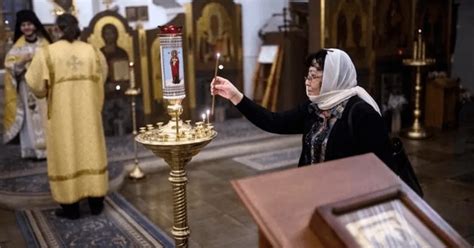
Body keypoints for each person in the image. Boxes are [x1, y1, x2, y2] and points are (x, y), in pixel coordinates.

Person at [211, 48, 396, 171]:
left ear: (333, 77)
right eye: (307, 75)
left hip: (346, 200)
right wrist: (235, 96)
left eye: (314, 76)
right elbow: (273, 121)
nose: (307, 81)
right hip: (311, 193)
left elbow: (381, 167)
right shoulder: (314, 109)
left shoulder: (361, 114)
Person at [25, 14, 108, 219]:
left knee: (66, 153)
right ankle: (96, 204)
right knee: (91, 150)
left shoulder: (47, 53)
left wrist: (45, 92)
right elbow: (103, 75)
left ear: (57, 30)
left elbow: (34, 83)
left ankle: (70, 209)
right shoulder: (91, 51)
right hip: (88, 113)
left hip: (62, 117)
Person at [3, 10, 52, 159]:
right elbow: (10, 68)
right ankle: (33, 151)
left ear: (35, 25)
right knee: (31, 121)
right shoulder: (17, 48)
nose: (27, 27)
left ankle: (50, 149)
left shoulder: (45, 44)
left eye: (29, 24)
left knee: (45, 116)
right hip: (26, 88)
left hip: (44, 87)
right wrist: (22, 61)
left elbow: (53, 62)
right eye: (23, 25)